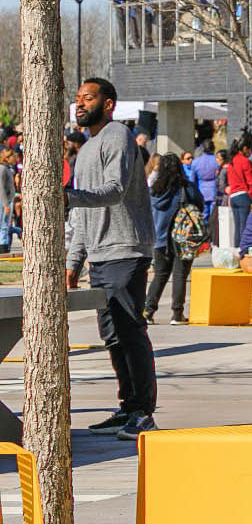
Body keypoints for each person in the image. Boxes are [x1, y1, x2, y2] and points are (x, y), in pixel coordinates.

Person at [66, 77, 159, 441]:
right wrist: (74, 261)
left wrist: (69, 196)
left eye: (88, 98)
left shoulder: (118, 135)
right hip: (100, 256)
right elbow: (82, 215)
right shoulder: (86, 148)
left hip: (127, 248)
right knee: (112, 335)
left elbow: (114, 191)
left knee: (129, 330)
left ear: (108, 104)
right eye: (77, 99)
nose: (79, 104)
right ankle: (128, 406)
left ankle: (143, 413)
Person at [143, 153, 203, 325]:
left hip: (160, 238)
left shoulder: (153, 189)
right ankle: (177, 314)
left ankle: (148, 311)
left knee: (160, 275)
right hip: (182, 239)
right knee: (179, 275)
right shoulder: (185, 188)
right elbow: (199, 204)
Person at [189, 140, 221, 215]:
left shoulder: (195, 162)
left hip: (201, 190)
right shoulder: (217, 161)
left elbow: (192, 180)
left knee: (204, 215)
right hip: (215, 190)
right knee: (215, 216)